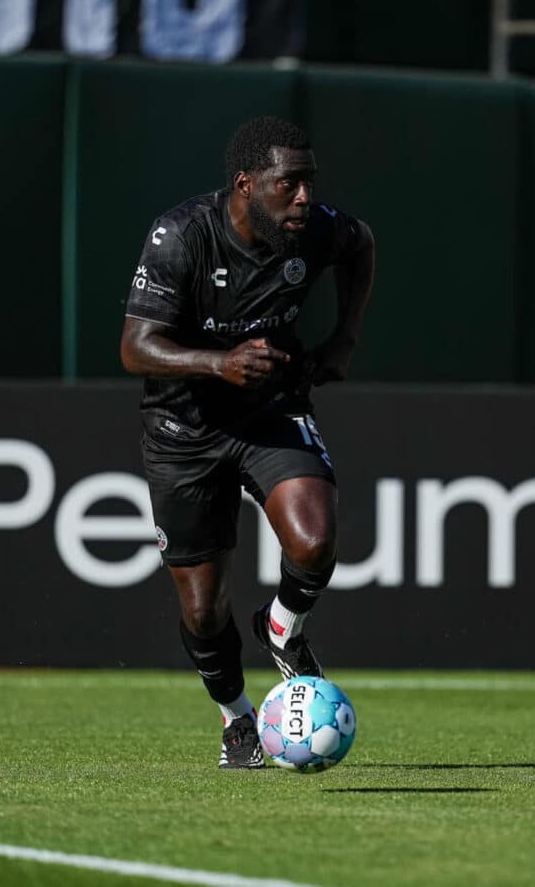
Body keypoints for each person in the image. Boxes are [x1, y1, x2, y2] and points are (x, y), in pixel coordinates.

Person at [120, 116, 375, 768]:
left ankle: (283, 629)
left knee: (315, 541)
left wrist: (342, 339)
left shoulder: (316, 232)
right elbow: (135, 348)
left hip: (272, 409)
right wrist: (219, 363)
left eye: (309, 183)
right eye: (289, 184)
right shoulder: (181, 236)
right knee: (204, 612)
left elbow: (361, 244)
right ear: (245, 183)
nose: (304, 198)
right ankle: (237, 719)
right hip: (184, 430)